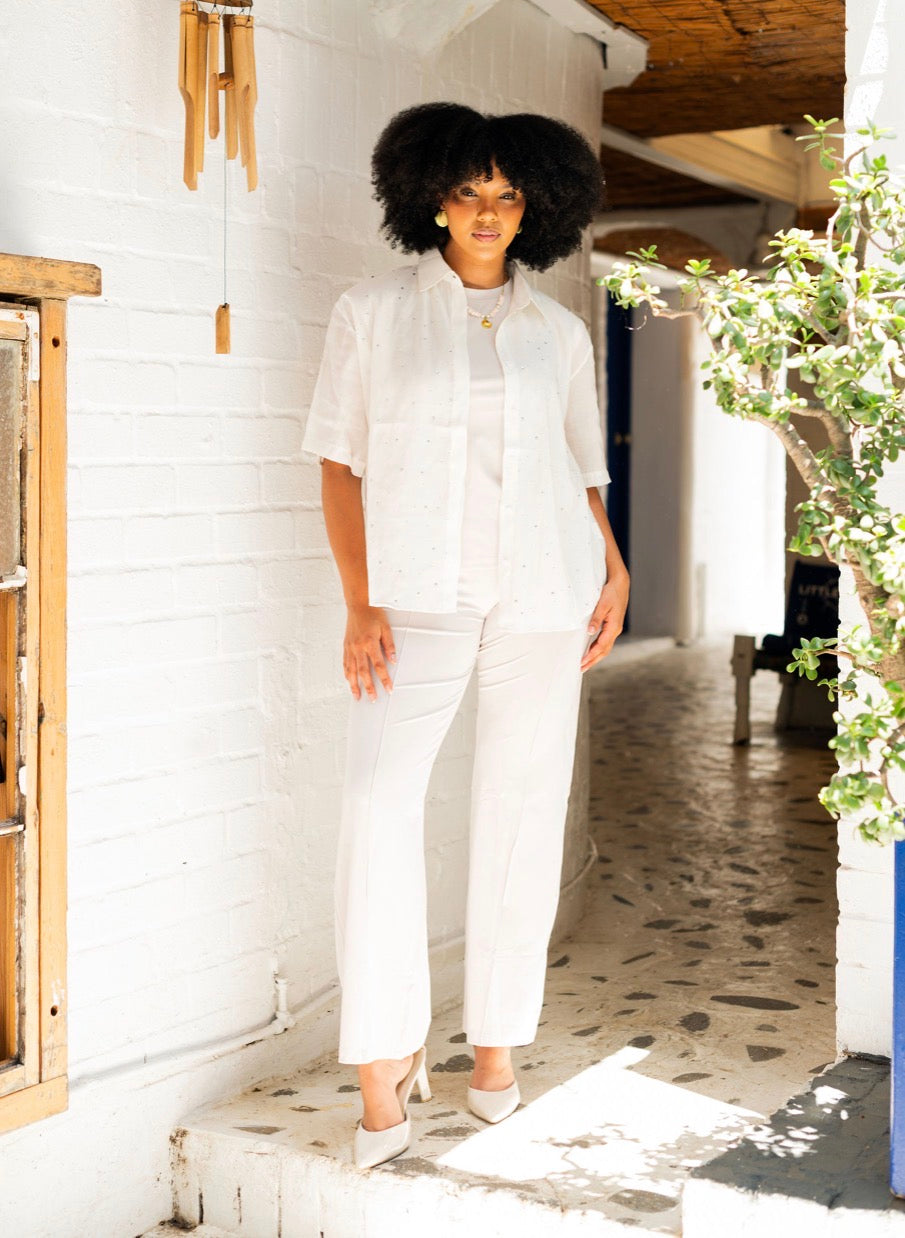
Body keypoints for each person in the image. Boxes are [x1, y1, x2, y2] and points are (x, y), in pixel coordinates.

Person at [301, 101, 629, 1169]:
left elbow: (582, 468)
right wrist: (359, 601)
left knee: (523, 809)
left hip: (544, 592)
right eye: (466, 190)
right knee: (375, 804)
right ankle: (382, 1060)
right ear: (429, 198)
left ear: (535, 207)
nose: (487, 211)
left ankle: (494, 1050)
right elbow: (337, 462)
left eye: (507, 194)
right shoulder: (371, 313)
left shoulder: (559, 333)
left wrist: (613, 565)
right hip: (411, 599)